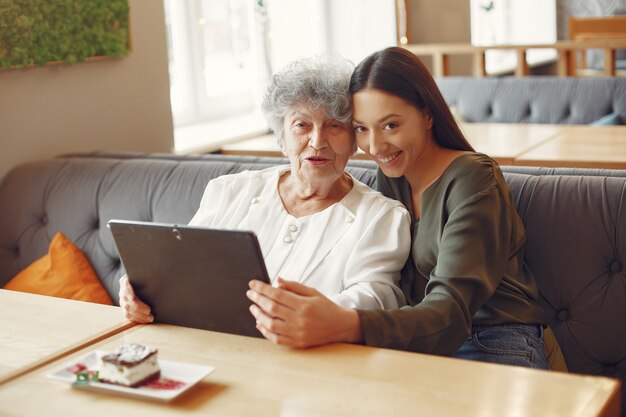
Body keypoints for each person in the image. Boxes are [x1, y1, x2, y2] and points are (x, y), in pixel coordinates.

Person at [246, 47, 553, 369]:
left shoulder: (474, 178)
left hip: (494, 338)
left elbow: (453, 310)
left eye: (390, 125)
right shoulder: (393, 175)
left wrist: (346, 323)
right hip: (416, 339)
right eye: (362, 129)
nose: (375, 147)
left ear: (428, 115)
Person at [118, 55, 411, 324]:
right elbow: (178, 266)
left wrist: (316, 314)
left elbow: (378, 296)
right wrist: (139, 287)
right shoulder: (229, 192)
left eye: (335, 126)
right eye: (301, 125)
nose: (317, 141)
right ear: (281, 137)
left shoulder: (381, 216)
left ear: (353, 140)